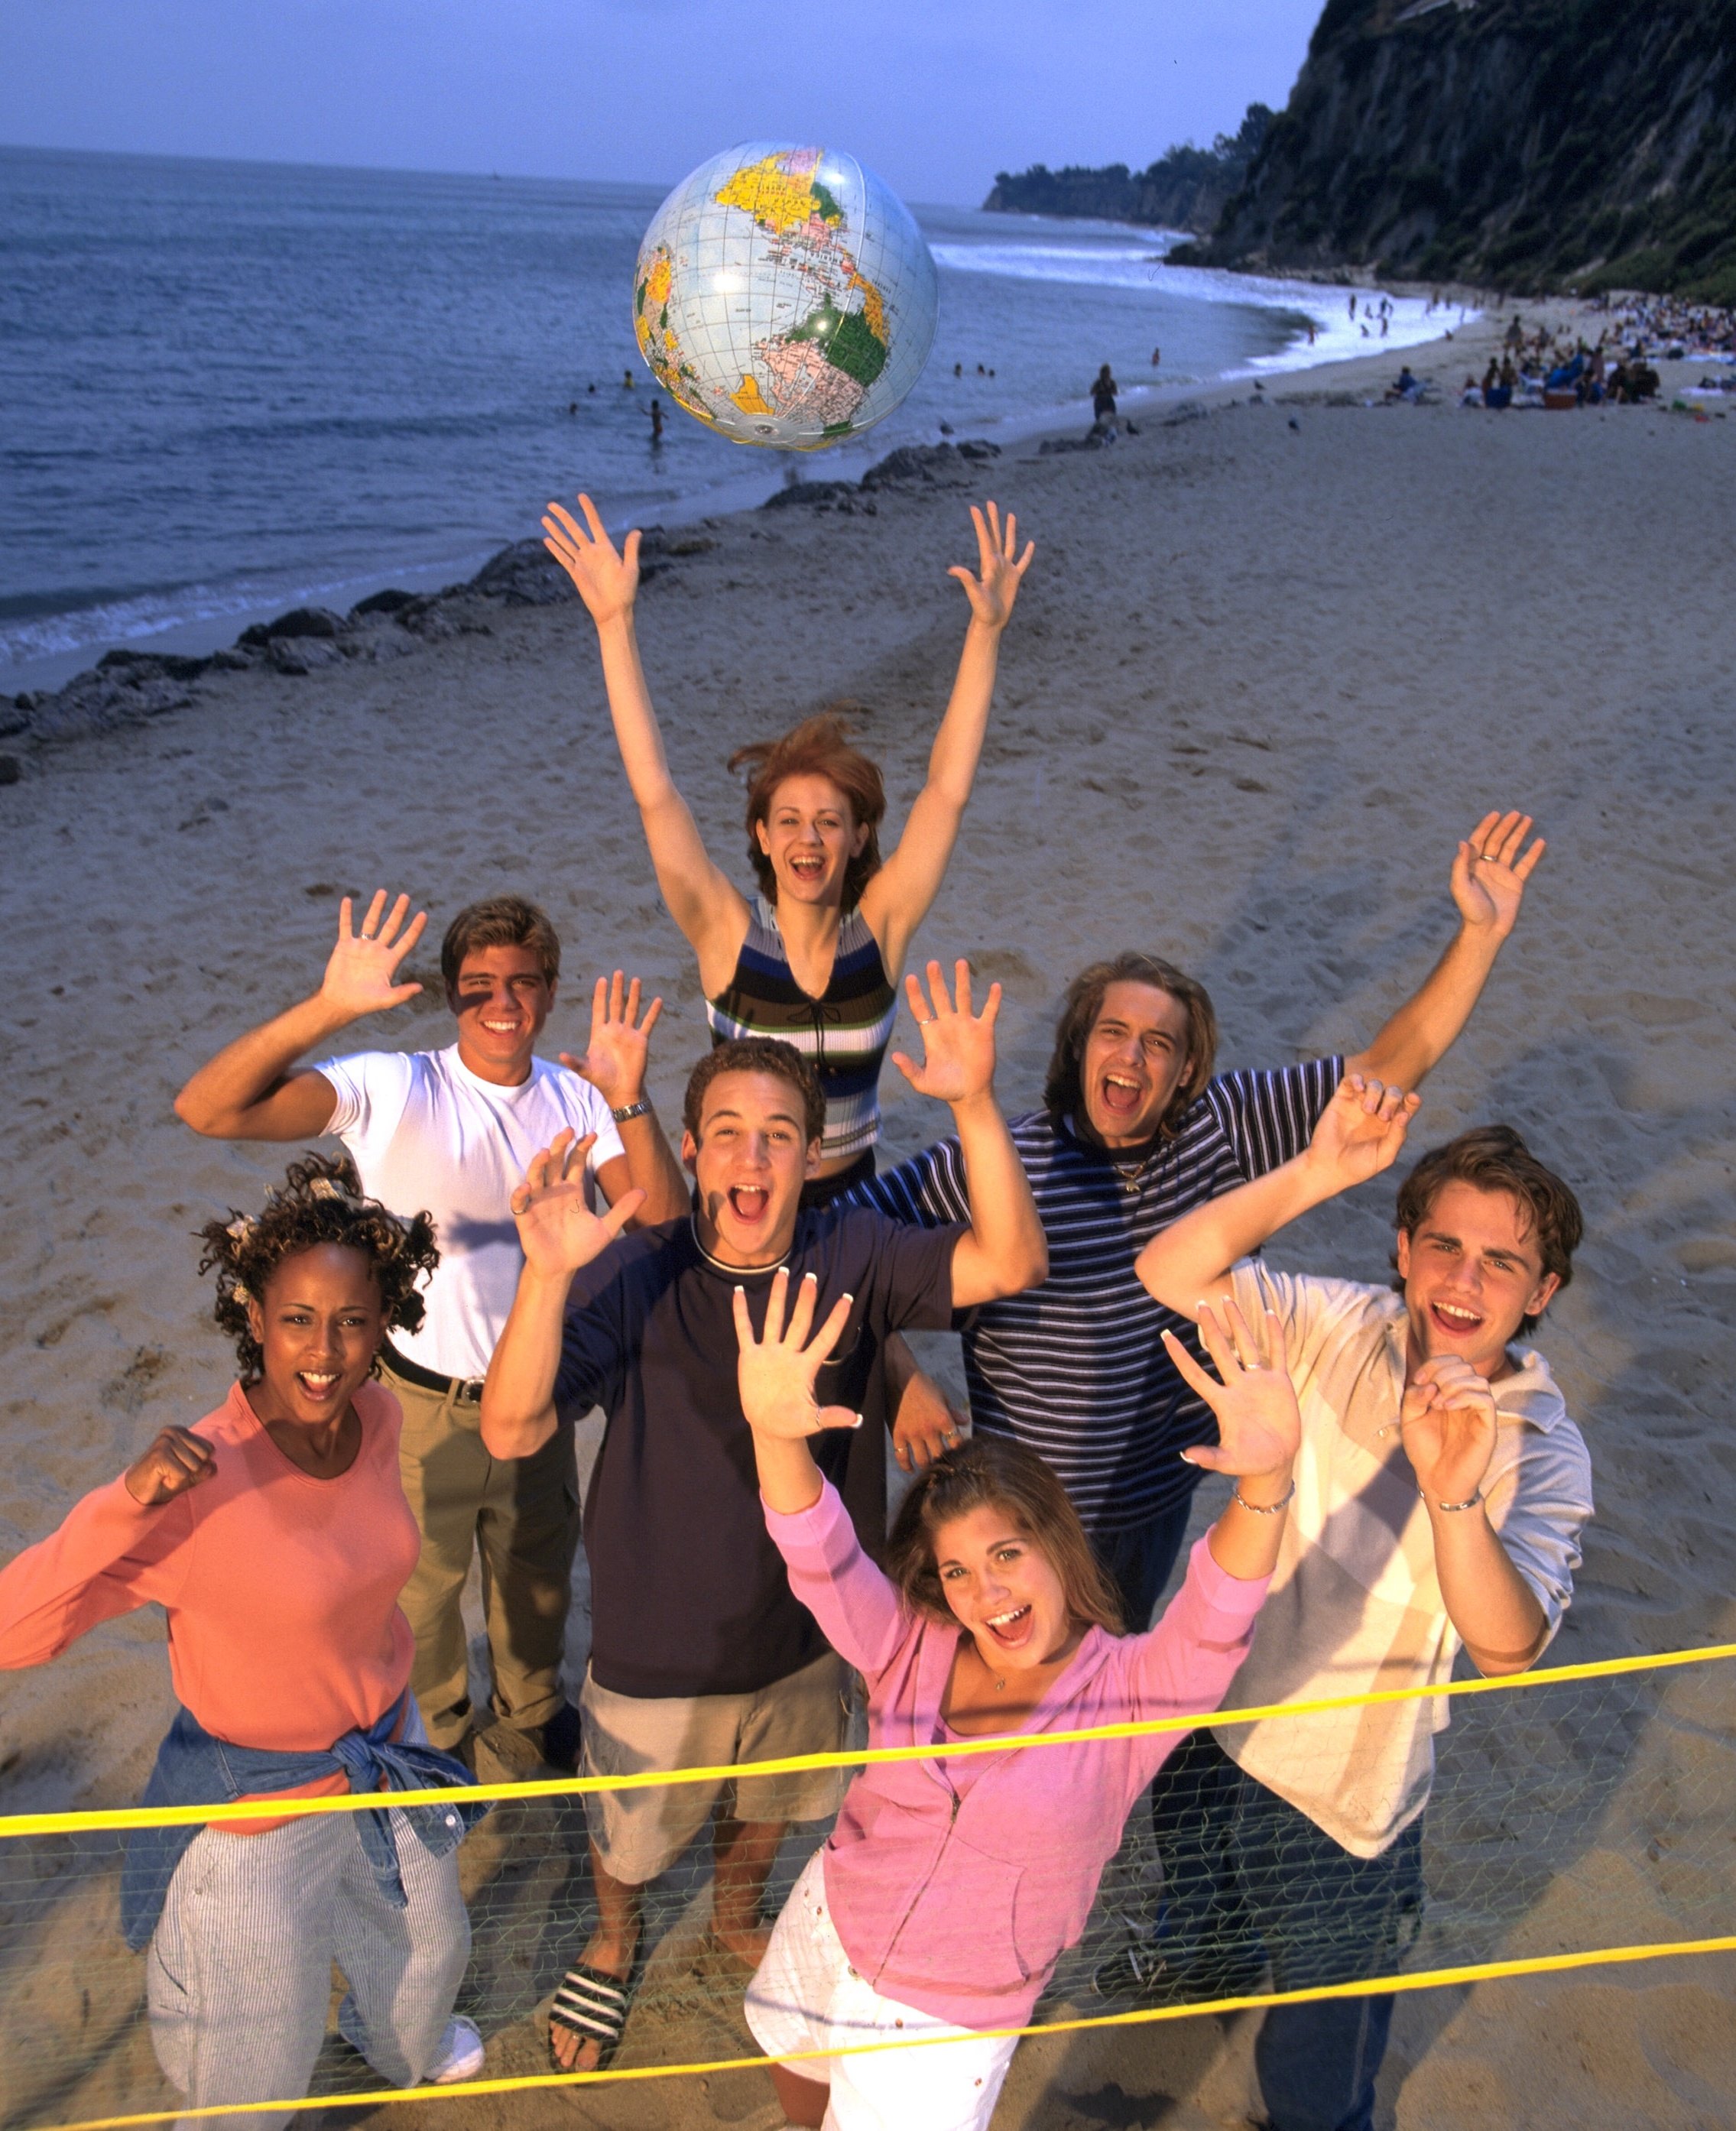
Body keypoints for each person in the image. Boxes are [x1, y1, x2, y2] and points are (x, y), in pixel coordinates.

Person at [480, 962, 1049, 2074]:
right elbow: (508, 1432)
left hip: (810, 1635)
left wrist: (973, 1104)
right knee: (629, 1837)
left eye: (780, 1134)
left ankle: (737, 1906)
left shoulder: (851, 1249)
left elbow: (1011, 1261)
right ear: (688, 1151)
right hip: (654, 1649)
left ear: (812, 1154)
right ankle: (611, 1940)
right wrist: (545, 1279)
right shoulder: (636, 1268)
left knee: (774, 1803)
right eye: (728, 1132)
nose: (752, 1157)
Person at [854, 813, 1546, 1626]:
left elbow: (1389, 1066)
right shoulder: (994, 1165)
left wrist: (1481, 931)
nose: (1132, 1057)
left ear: (1186, 1071)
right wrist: (899, 1378)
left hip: (1153, 1509)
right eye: (1112, 1032)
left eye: (1159, 1044)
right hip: (1019, 1516)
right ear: (1078, 1048)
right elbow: (839, 1255)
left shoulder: (1225, 1124)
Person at [733, 1263, 1301, 2131]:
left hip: (946, 2020)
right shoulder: (907, 1643)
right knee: (793, 2064)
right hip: (831, 1923)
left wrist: (1263, 1485)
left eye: (1005, 1555)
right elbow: (821, 1555)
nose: (985, 1593)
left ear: (1055, 1546)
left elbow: (1219, 1610)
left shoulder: (1133, 1694)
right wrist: (775, 1435)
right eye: (957, 1570)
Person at [1131, 1080, 1592, 2131]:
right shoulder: (1336, 1322)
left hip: (1341, 1803)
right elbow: (1167, 1271)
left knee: (1315, 2064)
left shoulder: (1541, 1450)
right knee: (1196, 1907)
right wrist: (1317, 1171)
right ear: (1399, 1249)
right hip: (1208, 1715)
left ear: (1541, 1290)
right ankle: (1196, 1966)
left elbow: (1506, 1648)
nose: (1460, 1280)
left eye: (1499, 1262)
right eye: (1440, 1246)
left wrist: (1450, 1491)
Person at [0, 1155, 488, 2129]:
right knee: (259, 2058)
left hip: (389, 1749)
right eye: (298, 1319)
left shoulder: (381, 1415)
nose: (325, 1350)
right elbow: (15, 1630)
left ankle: (393, 2045)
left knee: (433, 1945)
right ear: (254, 1318)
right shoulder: (196, 1482)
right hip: (252, 1811)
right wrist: (122, 1503)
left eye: (353, 1321)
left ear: (382, 1322)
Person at [174, 892, 690, 1772]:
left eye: (522, 983)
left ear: (550, 991)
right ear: (451, 993)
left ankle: (532, 1724)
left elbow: (666, 1229)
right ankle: (441, 1742)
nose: (501, 1002)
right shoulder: (395, 1086)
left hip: (538, 1399)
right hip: (416, 1409)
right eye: (478, 984)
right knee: (420, 1603)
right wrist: (329, 1007)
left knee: (536, 1593)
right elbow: (210, 1110)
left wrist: (631, 1099)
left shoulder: (579, 1095)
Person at [540, 493, 1033, 1203]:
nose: (809, 838)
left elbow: (945, 791)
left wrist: (985, 631)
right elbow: (656, 793)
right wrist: (615, 624)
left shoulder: (882, 928)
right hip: (744, 1208)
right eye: (790, 821)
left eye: (830, 822)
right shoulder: (726, 934)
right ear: (762, 838)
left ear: (859, 836)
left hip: (856, 1203)